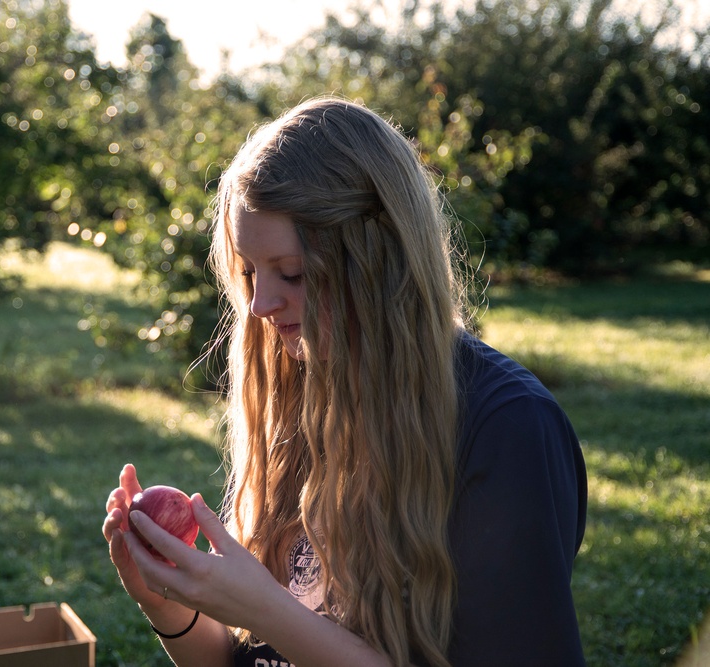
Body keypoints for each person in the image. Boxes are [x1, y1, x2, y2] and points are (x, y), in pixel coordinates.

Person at [102, 96, 588, 667]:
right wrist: (171, 607)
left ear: (379, 261)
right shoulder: (308, 391)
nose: (259, 303)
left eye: (294, 273)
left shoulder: (504, 426)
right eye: (250, 272)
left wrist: (264, 609)